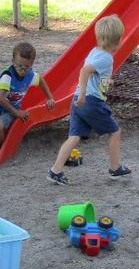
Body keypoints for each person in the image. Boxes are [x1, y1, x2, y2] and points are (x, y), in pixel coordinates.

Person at [47, 15, 130, 185]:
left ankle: (55, 171)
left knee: (74, 137)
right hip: (90, 101)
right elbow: (85, 71)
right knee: (115, 132)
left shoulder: (94, 51)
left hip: (77, 101)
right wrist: (84, 94)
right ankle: (115, 168)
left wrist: (105, 82)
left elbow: (94, 74)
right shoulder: (107, 58)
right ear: (118, 40)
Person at [0, 42, 56, 169]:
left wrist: (50, 98)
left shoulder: (30, 75)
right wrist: (18, 113)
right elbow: (0, 99)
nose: (22, 70)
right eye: (19, 66)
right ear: (12, 61)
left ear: (31, 64)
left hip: (8, 112)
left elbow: (41, 81)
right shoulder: (7, 76)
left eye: (26, 67)